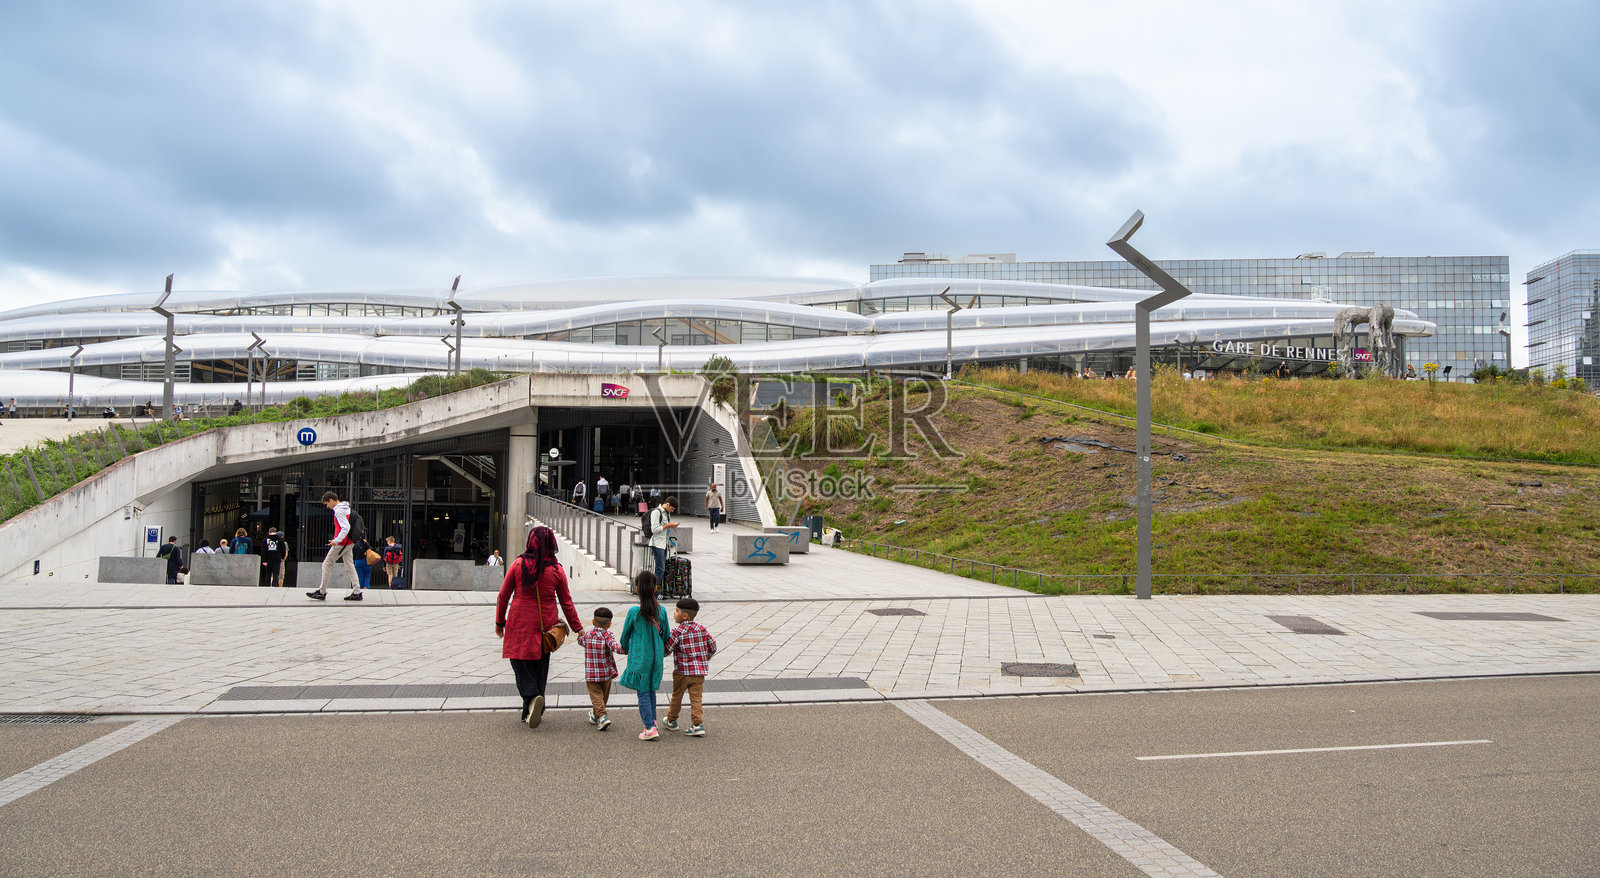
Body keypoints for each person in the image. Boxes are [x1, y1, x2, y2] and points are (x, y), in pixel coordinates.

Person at [495, 526, 584, 729]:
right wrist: (578, 628)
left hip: (520, 622)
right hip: (546, 624)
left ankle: (532, 697)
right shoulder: (556, 569)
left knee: (519, 663)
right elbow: (566, 603)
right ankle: (532, 709)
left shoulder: (518, 564)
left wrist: (500, 622)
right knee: (540, 666)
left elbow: (503, 596)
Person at [618, 570, 670, 741]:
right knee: (651, 691)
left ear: (637, 588)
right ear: (655, 587)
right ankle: (652, 722)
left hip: (640, 658)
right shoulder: (661, 611)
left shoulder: (634, 612)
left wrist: (625, 647)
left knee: (642, 693)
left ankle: (649, 727)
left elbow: (625, 635)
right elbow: (666, 636)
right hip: (656, 658)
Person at [664, 597, 717, 737]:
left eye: (676, 611)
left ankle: (672, 721)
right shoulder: (702, 629)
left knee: (677, 697)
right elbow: (713, 646)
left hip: (682, 672)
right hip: (699, 672)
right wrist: (707, 657)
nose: (674, 614)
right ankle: (697, 725)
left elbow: (667, 650)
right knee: (696, 699)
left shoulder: (677, 631)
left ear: (684, 615)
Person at [306, 491, 361, 602]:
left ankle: (322, 592)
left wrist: (336, 540)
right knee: (350, 567)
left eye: (327, 504)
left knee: (326, 564)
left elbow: (346, 527)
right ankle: (356, 592)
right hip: (349, 542)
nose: (327, 506)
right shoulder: (346, 507)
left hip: (342, 543)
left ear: (331, 500)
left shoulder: (339, 511)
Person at [578, 607, 621, 731]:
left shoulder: (587, 635)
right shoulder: (608, 635)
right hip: (606, 673)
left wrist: (579, 634)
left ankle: (602, 716)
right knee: (602, 697)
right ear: (609, 624)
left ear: (593, 622)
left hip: (591, 674)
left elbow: (580, 641)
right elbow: (615, 647)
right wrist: (626, 649)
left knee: (596, 697)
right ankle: (596, 715)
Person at [648, 495, 680, 585]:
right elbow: (654, 530)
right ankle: (656, 591)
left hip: (663, 544)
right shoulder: (656, 512)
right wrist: (668, 525)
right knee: (660, 568)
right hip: (657, 544)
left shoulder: (667, 513)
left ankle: (658, 589)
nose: (672, 511)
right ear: (667, 504)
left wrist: (671, 525)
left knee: (662, 568)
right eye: (672, 509)